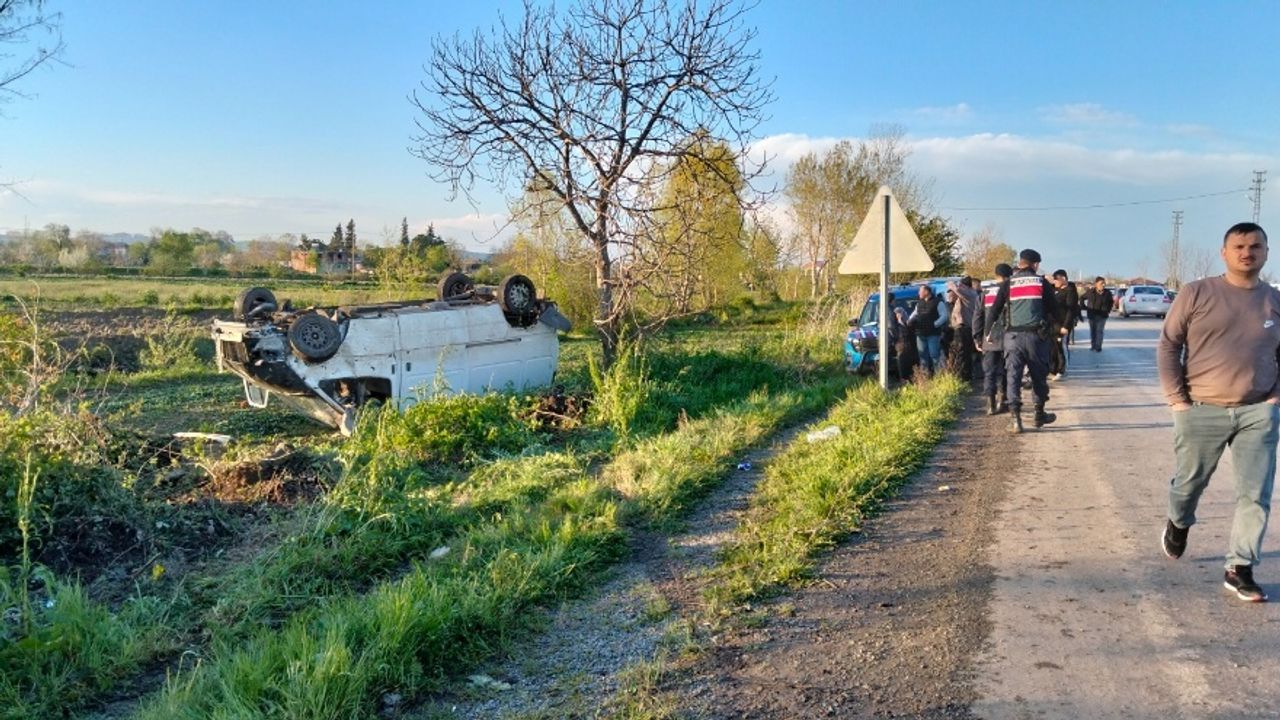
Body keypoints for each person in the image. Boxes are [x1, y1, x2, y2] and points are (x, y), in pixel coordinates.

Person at [1157, 222, 1280, 603]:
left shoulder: (1274, 300)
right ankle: (1179, 523)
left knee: (1255, 494)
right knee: (1189, 485)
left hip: (1258, 412)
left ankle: (1240, 568)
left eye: (1255, 246)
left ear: (1266, 253)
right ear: (1224, 252)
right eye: (1239, 246)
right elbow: (1169, 344)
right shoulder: (1196, 293)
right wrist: (1178, 401)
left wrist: (1274, 398)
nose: (1247, 252)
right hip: (1201, 408)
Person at [985, 248, 1062, 433]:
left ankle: (1015, 420)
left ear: (1020, 263)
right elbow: (1055, 310)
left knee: (1013, 377)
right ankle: (1039, 414)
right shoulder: (1041, 282)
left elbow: (994, 310)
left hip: (1012, 339)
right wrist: (1056, 329)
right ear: (1035, 264)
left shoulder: (1008, 283)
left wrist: (988, 332)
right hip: (1036, 338)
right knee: (1038, 376)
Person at [972, 263, 1012, 415]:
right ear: (1010, 275)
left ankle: (991, 404)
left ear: (996, 275)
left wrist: (977, 337)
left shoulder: (985, 293)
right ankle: (1003, 400)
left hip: (989, 339)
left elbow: (978, 317)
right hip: (1009, 338)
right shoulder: (1012, 290)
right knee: (1006, 371)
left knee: (989, 372)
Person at [907, 284, 947, 377]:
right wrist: (909, 320)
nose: (918, 293)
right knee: (922, 357)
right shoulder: (919, 303)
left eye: (920, 291)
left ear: (926, 292)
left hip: (933, 334)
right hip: (920, 333)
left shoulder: (938, 302)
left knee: (934, 355)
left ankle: (938, 376)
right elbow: (915, 313)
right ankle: (925, 377)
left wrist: (935, 324)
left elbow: (944, 316)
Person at [1048, 270, 1079, 379]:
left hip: (1063, 324)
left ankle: (1062, 370)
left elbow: (1071, 311)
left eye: (1057, 279)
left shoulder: (1070, 291)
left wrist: (1066, 326)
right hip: (1052, 324)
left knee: (1061, 347)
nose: (1055, 281)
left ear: (1063, 279)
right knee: (1052, 347)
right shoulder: (1053, 289)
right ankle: (1053, 369)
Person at [947, 276, 979, 381]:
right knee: (965, 353)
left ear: (965, 286)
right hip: (965, 327)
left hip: (965, 328)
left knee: (962, 353)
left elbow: (955, 288)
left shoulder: (969, 293)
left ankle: (963, 376)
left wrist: (951, 283)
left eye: (961, 285)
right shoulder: (969, 293)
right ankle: (965, 375)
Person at [1079, 277, 1113, 352]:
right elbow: (1082, 298)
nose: (1103, 285)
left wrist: (1108, 310)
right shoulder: (1091, 292)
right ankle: (1093, 345)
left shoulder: (1107, 293)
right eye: (1101, 283)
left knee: (1099, 330)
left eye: (1104, 283)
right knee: (1093, 331)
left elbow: (1111, 302)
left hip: (1102, 315)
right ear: (1096, 284)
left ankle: (1098, 347)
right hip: (1092, 315)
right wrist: (1083, 307)